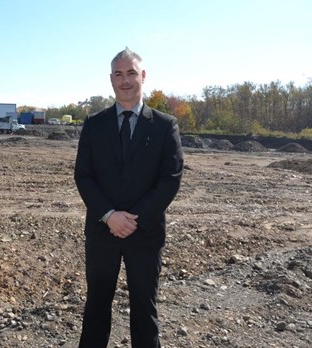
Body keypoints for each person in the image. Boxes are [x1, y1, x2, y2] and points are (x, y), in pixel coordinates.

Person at [74, 47, 184, 347]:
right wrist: (110, 215)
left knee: (144, 310)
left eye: (131, 73)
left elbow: (171, 177)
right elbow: (83, 175)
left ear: (143, 76)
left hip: (144, 234)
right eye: (119, 75)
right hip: (102, 232)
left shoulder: (164, 125)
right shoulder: (95, 124)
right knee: (96, 307)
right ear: (111, 79)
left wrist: (135, 219)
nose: (125, 81)